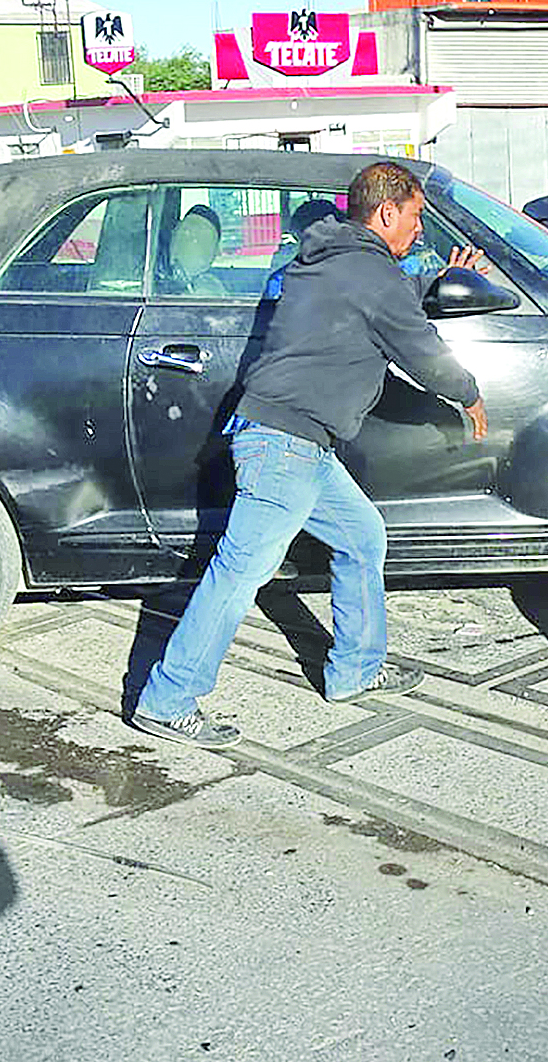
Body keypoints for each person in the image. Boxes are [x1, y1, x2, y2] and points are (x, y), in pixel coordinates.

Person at [132, 161, 488, 747]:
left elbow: (380, 302)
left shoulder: (332, 259)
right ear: (387, 212)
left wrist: (430, 280)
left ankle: (354, 668)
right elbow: (420, 350)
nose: (419, 230)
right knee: (240, 572)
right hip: (285, 445)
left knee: (362, 535)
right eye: (417, 218)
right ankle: (168, 698)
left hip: (299, 443)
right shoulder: (367, 274)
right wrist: (469, 396)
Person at [154, 203, 228, 298]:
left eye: (195, 237)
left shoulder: (209, 288)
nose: (183, 238)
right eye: (184, 231)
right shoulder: (154, 271)